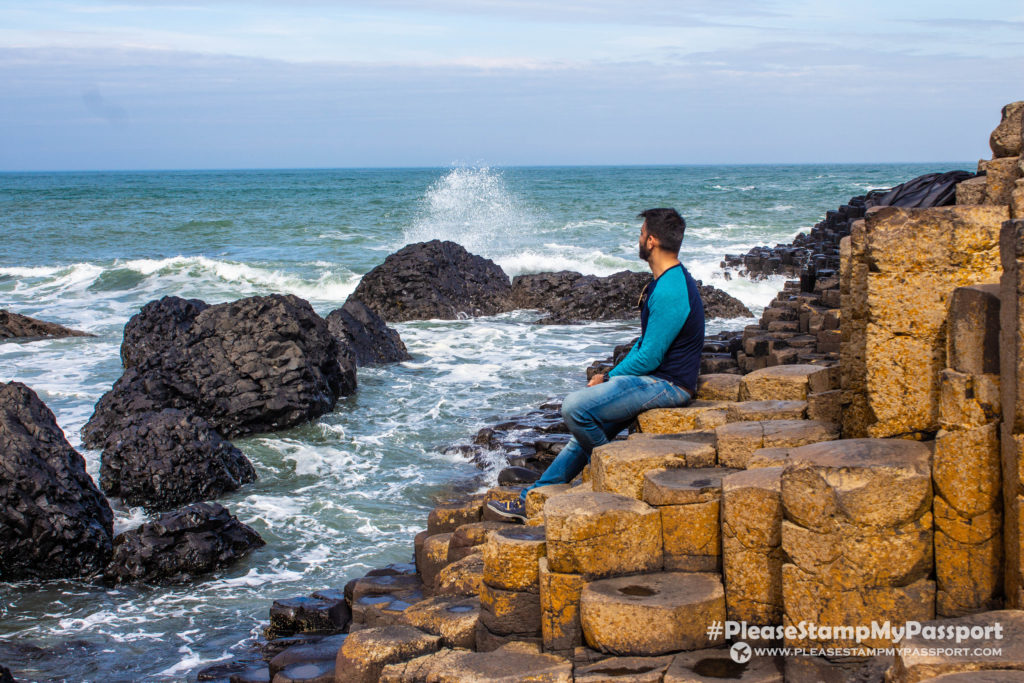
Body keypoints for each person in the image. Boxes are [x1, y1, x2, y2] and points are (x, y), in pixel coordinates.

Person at [488, 208, 705, 523]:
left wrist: (609, 379)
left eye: (642, 233)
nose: (639, 238)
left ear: (653, 241)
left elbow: (651, 356)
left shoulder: (671, 289)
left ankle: (614, 475)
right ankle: (529, 501)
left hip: (668, 384)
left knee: (574, 408)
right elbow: (644, 346)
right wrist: (610, 375)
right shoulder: (663, 281)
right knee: (584, 432)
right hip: (653, 379)